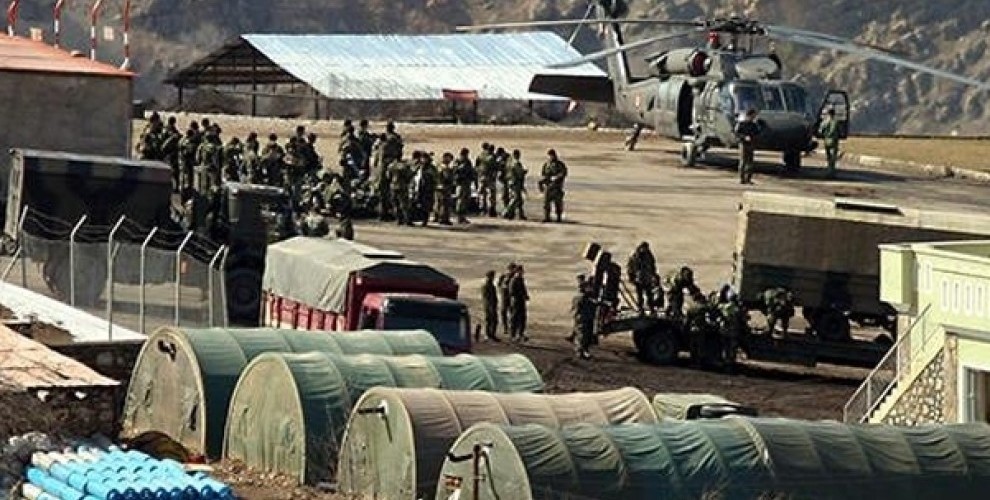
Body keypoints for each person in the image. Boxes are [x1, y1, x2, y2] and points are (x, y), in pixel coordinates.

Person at [627, 242, 658, 314]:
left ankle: (651, 308)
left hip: (647, 278)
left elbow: (653, 266)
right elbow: (630, 267)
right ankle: (640, 308)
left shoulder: (649, 256)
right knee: (640, 295)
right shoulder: (635, 256)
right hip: (638, 279)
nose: (644, 249)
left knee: (649, 294)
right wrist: (631, 277)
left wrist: (654, 275)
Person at [572, 276, 597, 359]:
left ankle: (583, 351)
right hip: (583, 319)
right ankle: (580, 352)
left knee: (585, 336)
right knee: (581, 335)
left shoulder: (583, 298)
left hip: (586, 318)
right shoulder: (581, 298)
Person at [539, 149, 568, 222]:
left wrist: (556, 177)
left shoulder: (560, 164)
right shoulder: (546, 164)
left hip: (557, 187)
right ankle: (547, 217)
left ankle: (559, 217)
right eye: (550, 156)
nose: (551, 157)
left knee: (558, 203)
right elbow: (543, 174)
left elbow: (563, 173)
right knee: (546, 203)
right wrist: (542, 183)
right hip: (548, 187)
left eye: (552, 155)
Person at [734, 108, 760, 184]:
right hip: (743, 144)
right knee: (743, 161)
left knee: (750, 162)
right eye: (753, 116)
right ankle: (742, 178)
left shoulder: (754, 125)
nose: (754, 117)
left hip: (751, 144)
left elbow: (757, 133)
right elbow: (737, 133)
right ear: (749, 115)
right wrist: (744, 137)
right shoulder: (742, 124)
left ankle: (748, 178)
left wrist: (754, 138)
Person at [388, 157, 414, 226]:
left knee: (395, 203)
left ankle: (398, 219)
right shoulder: (404, 166)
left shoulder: (391, 165)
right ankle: (407, 220)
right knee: (404, 204)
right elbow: (409, 175)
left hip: (393, 186)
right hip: (402, 186)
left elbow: (388, 176)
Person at [453, 148, 476, 224]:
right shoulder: (458, 162)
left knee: (466, 200)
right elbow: (455, 172)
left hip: (467, 183)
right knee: (460, 200)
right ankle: (459, 217)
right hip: (460, 183)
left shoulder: (468, 162)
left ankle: (463, 217)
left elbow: (471, 171)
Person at [502, 149, 527, 220]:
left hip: (510, 181)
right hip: (515, 182)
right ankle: (506, 212)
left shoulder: (509, 162)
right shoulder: (516, 163)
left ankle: (520, 214)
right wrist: (524, 172)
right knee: (515, 198)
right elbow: (519, 173)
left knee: (518, 199)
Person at [508, 264, 530, 342]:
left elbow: (524, 289)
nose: (522, 273)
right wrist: (521, 295)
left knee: (523, 318)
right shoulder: (514, 280)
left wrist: (526, 295)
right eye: (521, 271)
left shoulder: (521, 279)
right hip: (516, 302)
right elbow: (512, 292)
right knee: (514, 318)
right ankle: (513, 335)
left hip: (521, 301)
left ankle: (521, 333)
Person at [475, 143, 497, 216]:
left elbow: (476, 166)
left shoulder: (480, 155)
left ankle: (482, 209)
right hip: (489, 177)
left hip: (481, 176)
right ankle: (491, 210)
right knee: (491, 193)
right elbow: (495, 167)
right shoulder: (492, 157)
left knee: (482, 193)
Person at [819, 107, 841, 178]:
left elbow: (820, 131)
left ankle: (829, 171)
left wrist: (824, 135)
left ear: (828, 113)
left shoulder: (825, 122)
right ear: (834, 114)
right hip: (834, 141)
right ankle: (831, 171)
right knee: (833, 157)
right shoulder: (836, 122)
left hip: (827, 141)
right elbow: (839, 131)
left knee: (828, 156)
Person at [434, 152, 455, 225]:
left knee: (438, 203)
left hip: (438, 186)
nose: (450, 161)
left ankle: (437, 217)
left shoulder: (438, 165)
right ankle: (444, 218)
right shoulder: (445, 167)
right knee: (445, 203)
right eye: (450, 159)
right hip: (444, 187)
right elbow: (447, 177)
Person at [497, 263, 515, 339]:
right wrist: (502, 287)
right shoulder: (503, 276)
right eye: (510, 269)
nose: (510, 271)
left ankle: (512, 326)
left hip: (511, 297)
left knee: (512, 312)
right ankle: (505, 327)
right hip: (504, 297)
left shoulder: (514, 277)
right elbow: (498, 285)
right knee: (503, 312)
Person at [481, 270, 499, 342]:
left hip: (492, 305)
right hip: (489, 305)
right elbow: (486, 297)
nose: (493, 278)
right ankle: (488, 334)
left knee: (493, 320)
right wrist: (490, 305)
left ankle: (491, 334)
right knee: (489, 320)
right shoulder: (486, 286)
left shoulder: (491, 285)